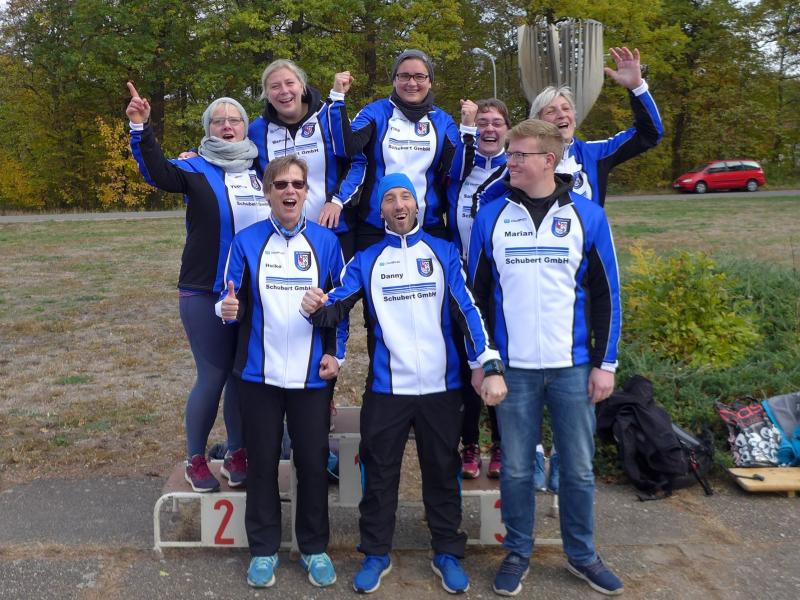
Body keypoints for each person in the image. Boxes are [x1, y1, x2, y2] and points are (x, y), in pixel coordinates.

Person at [300, 173, 507, 595]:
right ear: (380, 211)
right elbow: (336, 305)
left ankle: (447, 552)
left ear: (417, 205)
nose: (398, 205)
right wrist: (314, 306)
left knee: (442, 472)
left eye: (405, 197)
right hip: (387, 390)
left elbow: (468, 310)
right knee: (378, 476)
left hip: (440, 388)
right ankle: (376, 553)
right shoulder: (367, 259)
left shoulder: (444, 253)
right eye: (390, 198)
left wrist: (488, 362)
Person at [468, 119, 623, 596]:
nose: (509, 161)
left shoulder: (587, 215)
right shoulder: (491, 216)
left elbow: (608, 295)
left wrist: (606, 364)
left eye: (519, 155)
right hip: (512, 370)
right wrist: (483, 362)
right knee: (516, 469)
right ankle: (518, 551)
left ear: (548, 161)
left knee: (577, 468)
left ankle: (582, 555)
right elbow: (475, 298)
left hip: (573, 367)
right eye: (509, 153)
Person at [127, 82, 266, 492]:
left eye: (234, 119)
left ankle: (237, 451)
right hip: (205, 289)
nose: (227, 126)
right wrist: (141, 128)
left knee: (242, 375)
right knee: (214, 374)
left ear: (245, 127)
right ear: (208, 129)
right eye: (218, 121)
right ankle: (195, 458)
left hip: (253, 291)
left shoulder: (262, 171)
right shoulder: (194, 167)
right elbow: (156, 171)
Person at [216, 156, 346, 589]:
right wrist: (225, 309)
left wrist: (338, 356)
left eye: (297, 184)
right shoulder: (247, 241)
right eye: (281, 185)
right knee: (262, 464)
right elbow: (227, 300)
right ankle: (263, 549)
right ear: (268, 192)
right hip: (259, 376)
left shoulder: (327, 243)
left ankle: (313, 548)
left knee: (311, 463)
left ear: (306, 192)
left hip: (312, 377)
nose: (290, 191)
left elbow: (341, 308)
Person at [478, 46, 663, 208]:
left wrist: (637, 87)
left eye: (566, 109)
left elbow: (650, 134)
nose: (561, 114)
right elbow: (486, 199)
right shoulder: (522, 160)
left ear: (574, 117)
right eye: (551, 111)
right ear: (538, 122)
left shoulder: (595, 153)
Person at [328, 49, 473, 249]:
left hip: (428, 226)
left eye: (419, 76)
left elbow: (458, 172)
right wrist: (337, 98)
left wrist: (468, 129)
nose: (411, 83)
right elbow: (346, 148)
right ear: (395, 80)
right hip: (376, 228)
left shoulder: (443, 121)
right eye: (404, 76)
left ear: (430, 81)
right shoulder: (375, 112)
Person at [447, 97, 509, 480]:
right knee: (466, 363)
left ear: (507, 129)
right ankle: (468, 443)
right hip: (461, 282)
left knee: (496, 359)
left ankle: (501, 443)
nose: (489, 128)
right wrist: (465, 128)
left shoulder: (513, 169)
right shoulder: (460, 170)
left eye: (496, 122)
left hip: (498, 283)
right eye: (482, 122)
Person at [249, 59, 366, 260]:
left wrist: (337, 201)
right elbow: (230, 150)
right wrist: (196, 152)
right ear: (266, 94)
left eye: (290, 83)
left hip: (334, 230)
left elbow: (357, 161)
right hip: (281, 236)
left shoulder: (330, 116)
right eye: (275, 87)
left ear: (302, 86)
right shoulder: (257, 131)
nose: (284, 91)